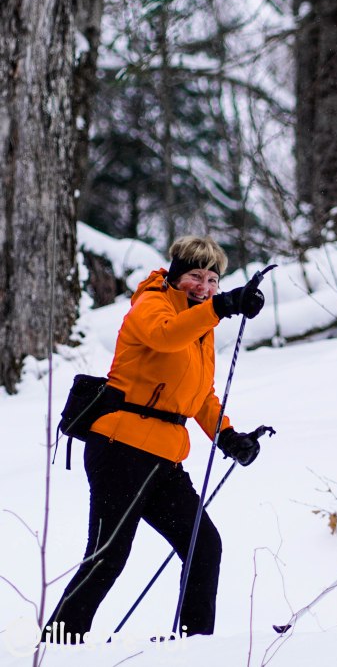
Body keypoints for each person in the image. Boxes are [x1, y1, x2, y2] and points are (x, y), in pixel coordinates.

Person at [44, 236, 273, 642]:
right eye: (194, 277)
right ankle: (57, 647)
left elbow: (200, 394)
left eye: (211, 280)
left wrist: (229, 436)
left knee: (205, 545)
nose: (203, 287)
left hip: (165, 457)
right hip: (121, 447)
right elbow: (166, 336)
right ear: (174, 274)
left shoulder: (201, 324)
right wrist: (221, 308)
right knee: (108, 556)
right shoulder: (151, 305)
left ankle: (192, 646)